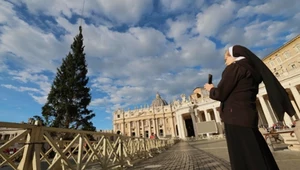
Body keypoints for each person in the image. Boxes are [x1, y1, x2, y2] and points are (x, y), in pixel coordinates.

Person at [204, 45, 296, 170]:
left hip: (234, 117)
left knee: (242, 155)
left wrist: (211, 89)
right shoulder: (251, 71)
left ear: (234, 56)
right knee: (255, 151)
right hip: (248, 115)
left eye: (226, 59)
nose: (225, 62)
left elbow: (220, 93)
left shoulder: (235, 68)